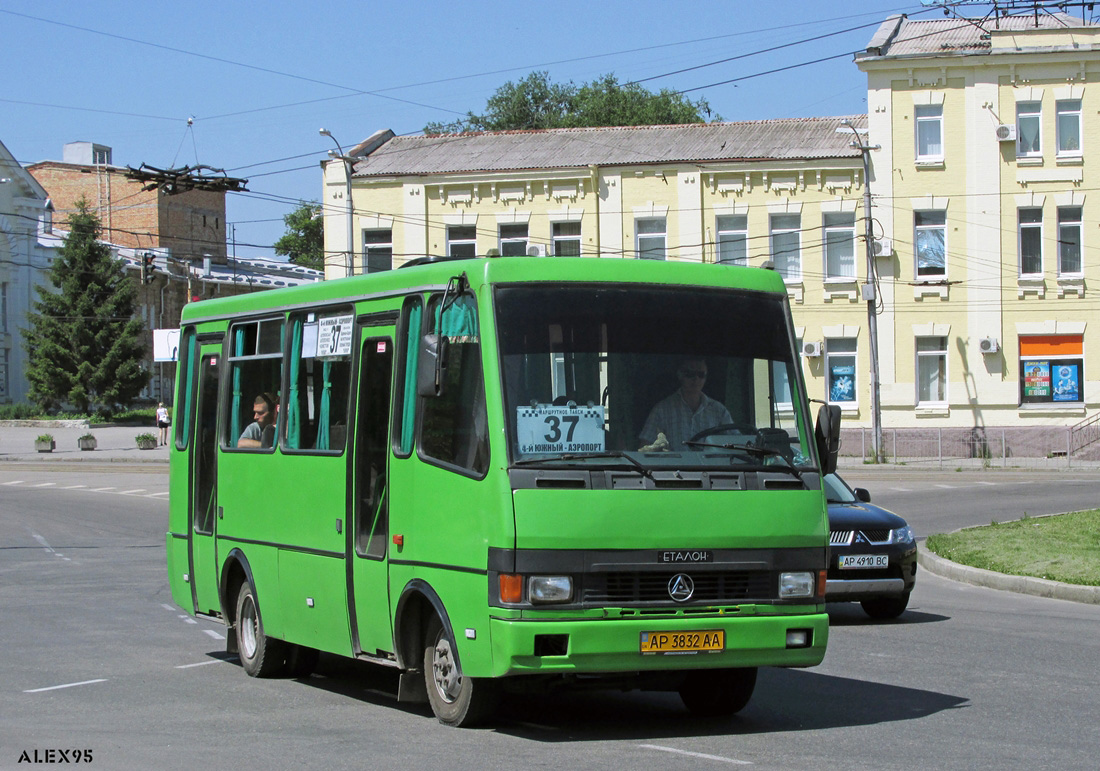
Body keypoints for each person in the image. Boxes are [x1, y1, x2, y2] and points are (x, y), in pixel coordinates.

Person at [639, 358, 733, 451]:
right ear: (680, 375)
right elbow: (645, 447)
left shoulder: (719, 411)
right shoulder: (661, 410)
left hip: (712, 466)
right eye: (690, 374)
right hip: (674, 466)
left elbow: (737, 444)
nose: (696, 379)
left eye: (700, 375)